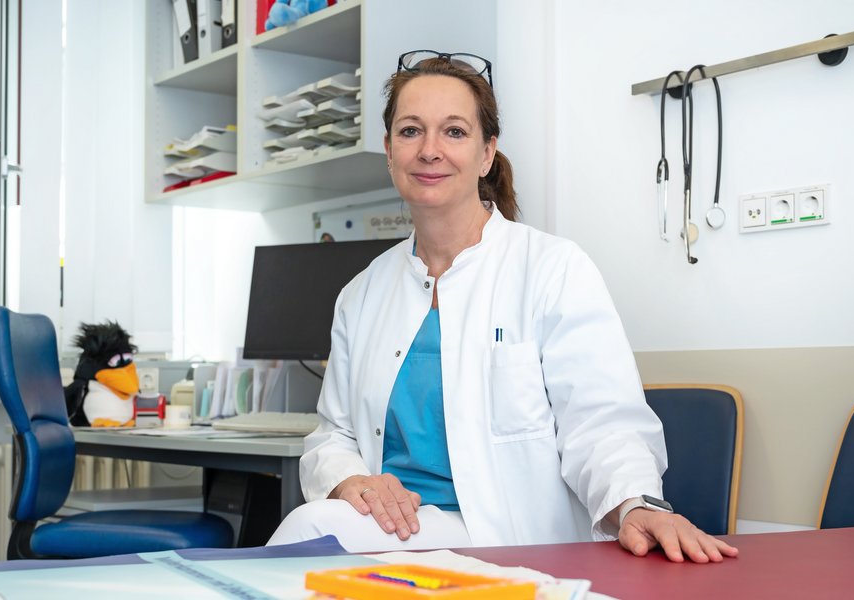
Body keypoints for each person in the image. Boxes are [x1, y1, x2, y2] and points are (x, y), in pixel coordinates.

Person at [268, 50, 738, 563]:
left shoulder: (552, 268)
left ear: (487, 152)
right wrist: (348, 479)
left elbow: (601, 419)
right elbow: (333, 433)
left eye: (454, 131)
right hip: (397, 533)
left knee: (305, 530)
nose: (429, 150)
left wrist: (635, 504)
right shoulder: (361, 293)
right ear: (388, 149)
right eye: (410, 131)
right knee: (312, 527)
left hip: (508, 538)